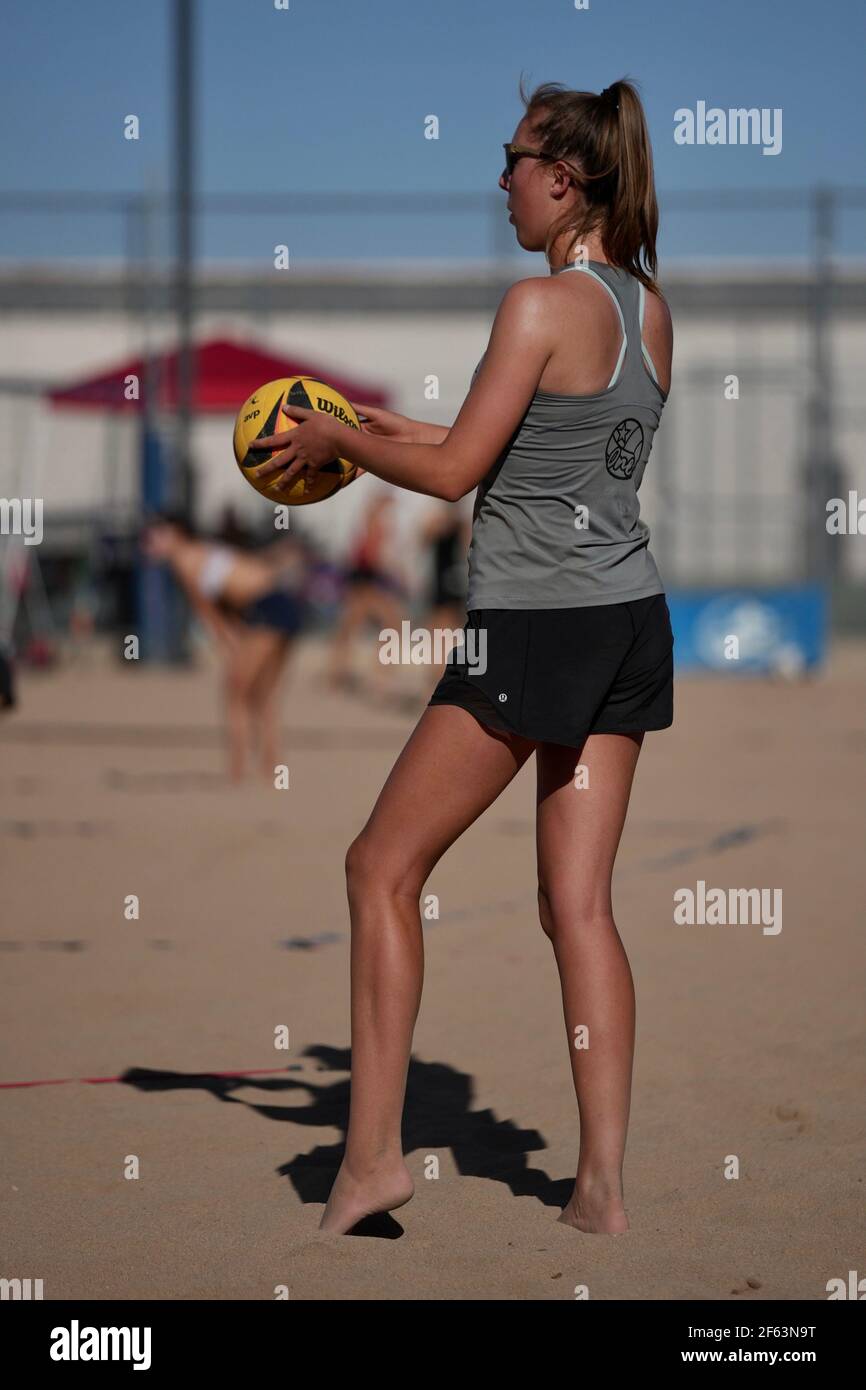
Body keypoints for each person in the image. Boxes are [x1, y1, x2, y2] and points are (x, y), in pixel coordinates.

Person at [248, 77, 674, 1236]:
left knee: (379, 867)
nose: (498, 181)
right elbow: (513, 449)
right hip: (627, 619)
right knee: (576, 903)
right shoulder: (643, 309)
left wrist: (339, 437)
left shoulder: (535, 307)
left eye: (511, 160)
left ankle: (375, 1159)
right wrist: (369, 428)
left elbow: (456, 476)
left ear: (563, 177)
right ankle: (599, 1187)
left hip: (532, 629)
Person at [141, 515, 306, 782]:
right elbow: (231, 597)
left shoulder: (183, 562)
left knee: (235, 692)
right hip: (282, 603)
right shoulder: (205, 549)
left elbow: (210, 615)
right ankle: (272, 769)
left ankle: (238, 771)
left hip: (265, 609)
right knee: (263, 694)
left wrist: (230, 647)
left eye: (154, 536)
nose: (148, 543)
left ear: (176, 533)